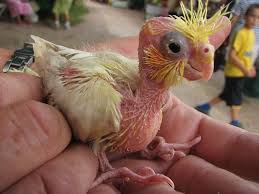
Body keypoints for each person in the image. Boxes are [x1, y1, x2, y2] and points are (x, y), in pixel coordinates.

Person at [1, 37, 259, 194]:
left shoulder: (157, 96)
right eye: (174, 47)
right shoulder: (102, 105)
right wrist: (110, 167)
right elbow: (51, 60)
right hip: (53, 68)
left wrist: (145, 146)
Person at [195, 4, 259, 128]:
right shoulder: (241, 33)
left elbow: (247, 55)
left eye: (258, 18)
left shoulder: (252, 34)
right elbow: (232, 56)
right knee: (236, 97)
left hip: (241, 72)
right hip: (234, 72)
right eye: (252, 16)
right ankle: (235, 122)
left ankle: (205, 106)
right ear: (245, 16)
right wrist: (245, 69)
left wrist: (249, 67)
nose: (255, 20)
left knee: (227, 93)